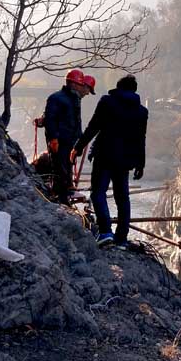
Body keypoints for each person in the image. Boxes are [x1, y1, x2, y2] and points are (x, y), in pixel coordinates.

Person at [72, 74, 148, 249]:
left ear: (118, 87)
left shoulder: (107, 101)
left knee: (98, 193)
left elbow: (93, 127)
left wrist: (78, 147)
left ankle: (106, 232)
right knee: (123, 198)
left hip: (104, 156)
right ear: (134, 90)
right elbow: (140, 139)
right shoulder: (141, 111)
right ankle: (121, 239)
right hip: (125, 161)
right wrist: (140, 164)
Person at [43, 69, 93, 204]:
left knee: (67, 168)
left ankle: (64, 195)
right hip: (60, 141)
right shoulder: (56, 98)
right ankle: (61, 198)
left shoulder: (74, 99)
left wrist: (79, 140)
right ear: (74, 84)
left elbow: (75, 122)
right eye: (80, 85)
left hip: (70, 141)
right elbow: (50, 119)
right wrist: (53, 138)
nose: (83, 88)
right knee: (60, 169)